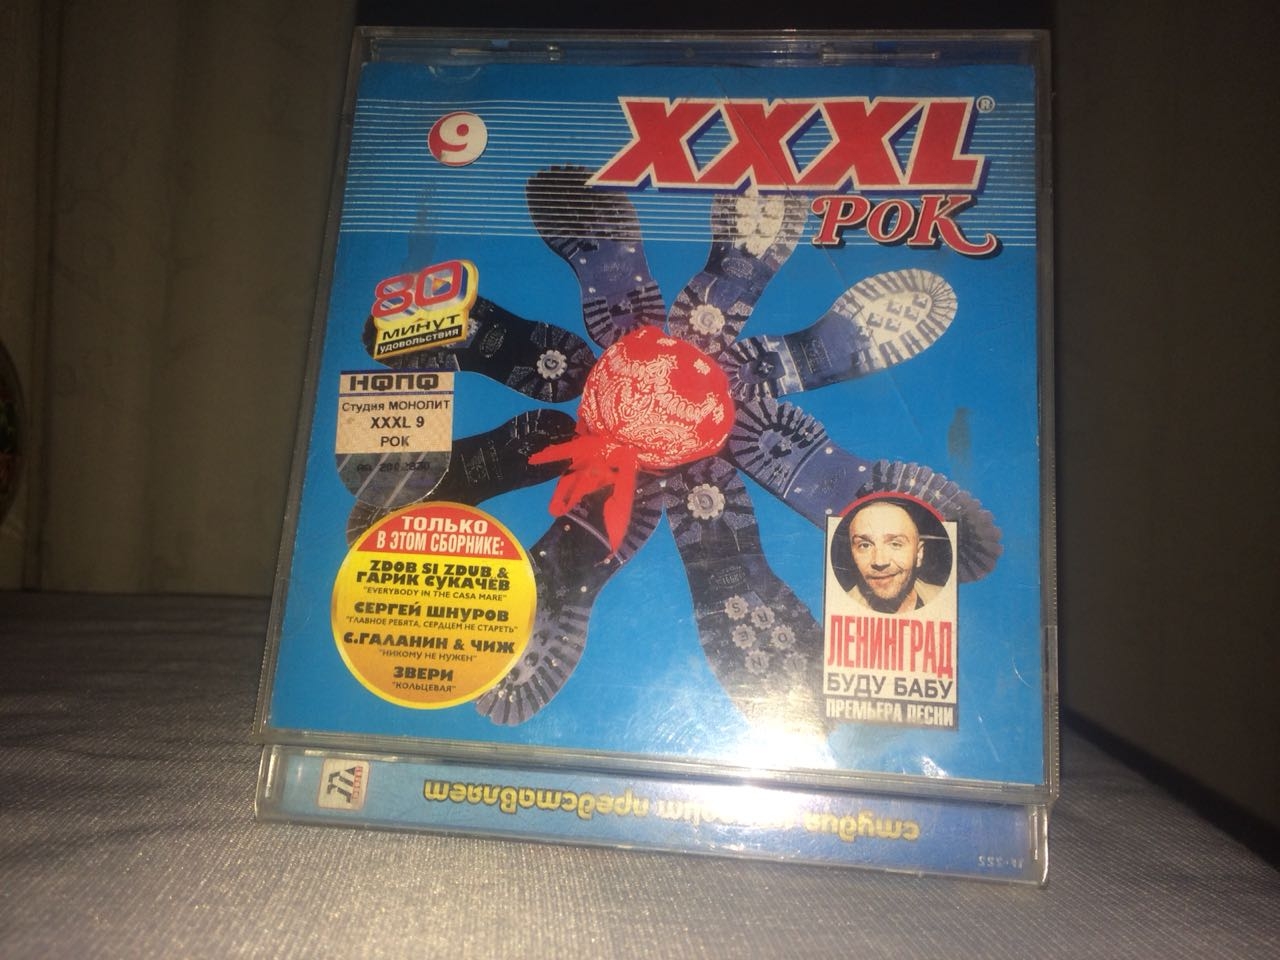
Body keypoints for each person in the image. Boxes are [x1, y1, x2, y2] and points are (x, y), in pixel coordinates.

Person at [845, 498, 941, 613]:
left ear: (919, 553)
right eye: (865, 545)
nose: (879, 561)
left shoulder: (947, 602)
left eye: (895, 544)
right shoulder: (838, 607)